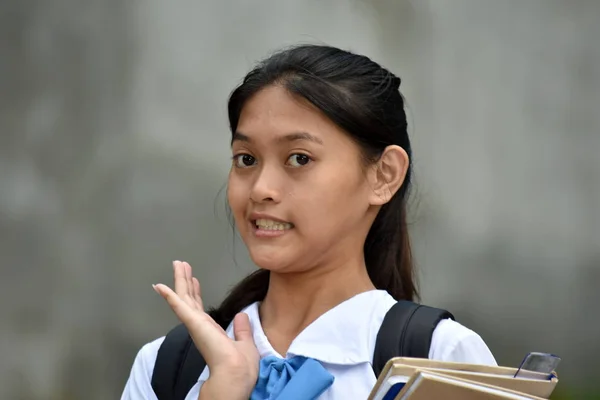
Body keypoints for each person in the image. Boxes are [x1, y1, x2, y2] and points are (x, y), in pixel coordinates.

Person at [121, 44, 496, 400]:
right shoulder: (167, 366)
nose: (261, 189)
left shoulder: (440, 361)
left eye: (299, 158)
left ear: (384, 175)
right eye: (246, 159)